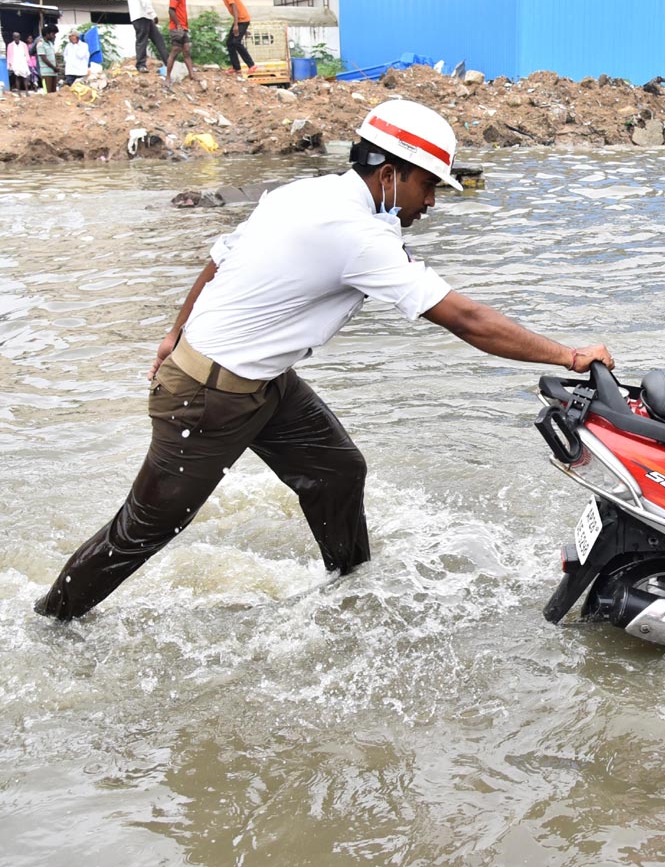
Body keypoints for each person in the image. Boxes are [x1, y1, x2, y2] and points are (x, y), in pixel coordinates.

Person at [33, 99, 614, 621]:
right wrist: (569, 354)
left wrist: (173, 333)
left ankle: (350, 590)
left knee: (337, 470)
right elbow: (465, 320)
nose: (432, 202)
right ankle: (50, 621)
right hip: (209, 396)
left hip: (258, 380)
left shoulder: (304, 193)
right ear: (389, 174)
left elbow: (216, 263)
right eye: (428, 186)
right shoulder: (357, 235)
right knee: (144, 530)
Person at [207, 0, 256, 75]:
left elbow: (234, 6)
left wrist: (236, 25)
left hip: (242, 20)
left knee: (236, 42)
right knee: (230, 42)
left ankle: (251, 65)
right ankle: (236, 67)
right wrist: (242, 28)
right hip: (240, 20)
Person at [127, 0, 169, 74]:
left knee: (158, 38)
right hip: (143, 15)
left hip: (141, 15)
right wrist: (153, 14)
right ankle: (141, 65)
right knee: (142, 40)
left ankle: (168, 62)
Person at [165, 0, 197, 87]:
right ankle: (167, 77)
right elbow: (171, 10)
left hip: (183, 28)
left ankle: (192, 74)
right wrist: (178, 24)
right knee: (175, 50)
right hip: (177, 28)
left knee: (186, 50)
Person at [36, 27, 58, 93]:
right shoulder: (40, 44)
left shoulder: (51, 44)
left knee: (54, 93)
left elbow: (53, 56)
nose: (54, 36)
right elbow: (44, 58)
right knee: (47, 93)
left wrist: (56, 66)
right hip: (46, 73)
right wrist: (54, 67)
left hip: (53, 72)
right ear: (47, 34)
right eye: (53, 34)